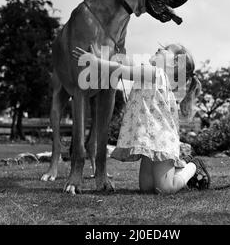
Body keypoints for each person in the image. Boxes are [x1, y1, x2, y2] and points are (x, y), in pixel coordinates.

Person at [72, 43, 210, 194]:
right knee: (146, 187)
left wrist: (95, 61)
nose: (159, 48)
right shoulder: (155, 75)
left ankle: (191, 167)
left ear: (175, 61)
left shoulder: (155, 73)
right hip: (148, 140)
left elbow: (122, 71)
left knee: (165, 188)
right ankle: (178, 169)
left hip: (160, 141)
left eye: (165, 48)